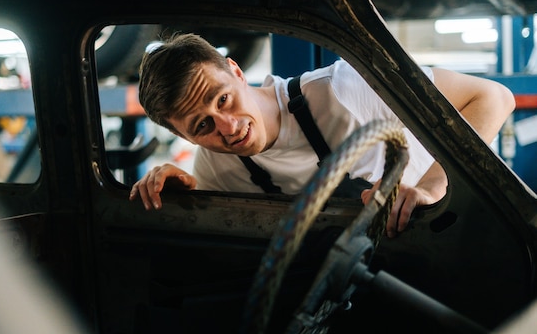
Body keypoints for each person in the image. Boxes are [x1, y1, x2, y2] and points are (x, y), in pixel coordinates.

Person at [129, 33, 515, 238]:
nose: (228, 129)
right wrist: (181, 196)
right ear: (186, 137)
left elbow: (492, 97)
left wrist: (431, 187)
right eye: (202, 126)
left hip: (434, 250)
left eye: (224, 99)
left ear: (235, 71)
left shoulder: (345, 87)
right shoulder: (215, 165)